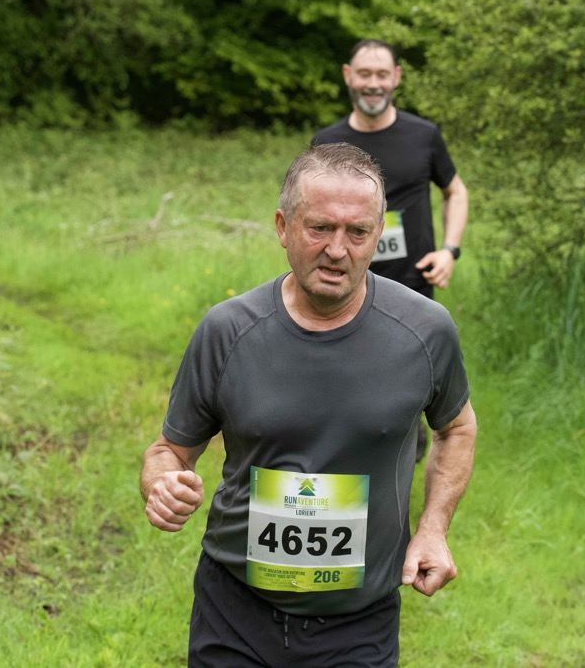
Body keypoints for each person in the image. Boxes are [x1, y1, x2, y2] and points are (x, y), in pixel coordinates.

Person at [141, 143, 477, 667]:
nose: (337, 250)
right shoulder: (227, 330)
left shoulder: (424, 331)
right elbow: (169, 450)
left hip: (359, 623)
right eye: (319, 228)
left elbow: (456, 428)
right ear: (283, 226)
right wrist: (162, 485)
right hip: (234, 611)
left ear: (377, 235)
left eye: (357, 232)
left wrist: (433, 529)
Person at [311, 39, 468, 300]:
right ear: (347, 75)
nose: (373, 84)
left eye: (382, 74)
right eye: (364, 74)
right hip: (343, 285)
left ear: (396, 76)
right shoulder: (325, 143)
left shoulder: (424, 135)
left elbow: (456, 192)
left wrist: (449, 251)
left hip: (414, 286)